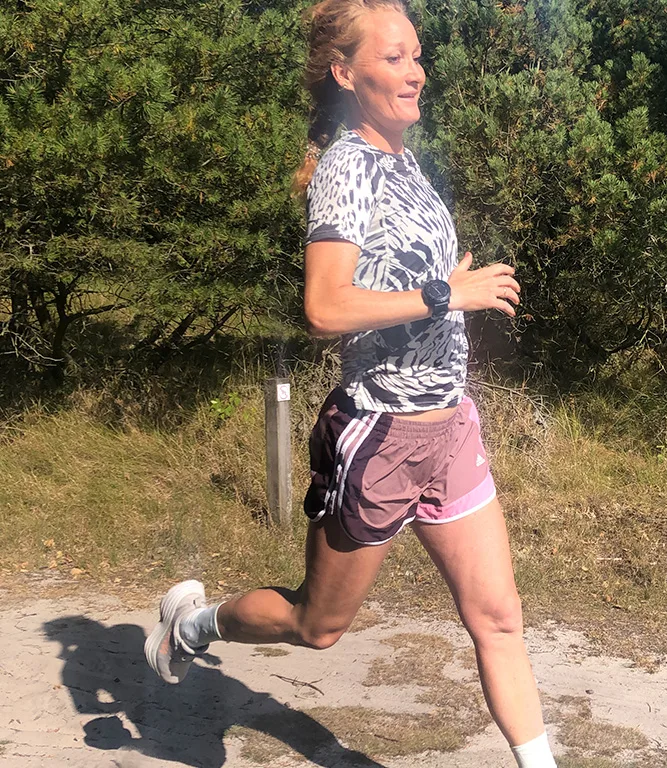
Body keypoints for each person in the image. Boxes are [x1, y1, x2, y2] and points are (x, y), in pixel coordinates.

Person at [144, 1, 557, 765]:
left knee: (499, 618)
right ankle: (194, 624)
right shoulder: (348, 167)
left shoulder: (406, 164)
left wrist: (445, 289)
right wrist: (446, 294)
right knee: (318, 626)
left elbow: (399, 284)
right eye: (394, 57)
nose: (416, 71)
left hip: (450, 429)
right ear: (344, 73)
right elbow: (325, 307)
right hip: (383, 436)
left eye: (417, 55)